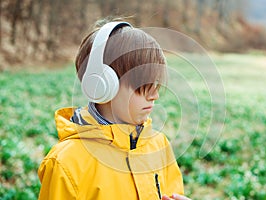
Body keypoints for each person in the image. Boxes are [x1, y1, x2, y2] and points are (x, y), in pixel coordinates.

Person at [38, 18, 191, 200]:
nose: (154, 96)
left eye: (155, 84)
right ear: (101, 84)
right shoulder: (66, 163)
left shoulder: (159, 145)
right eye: (141, 85)